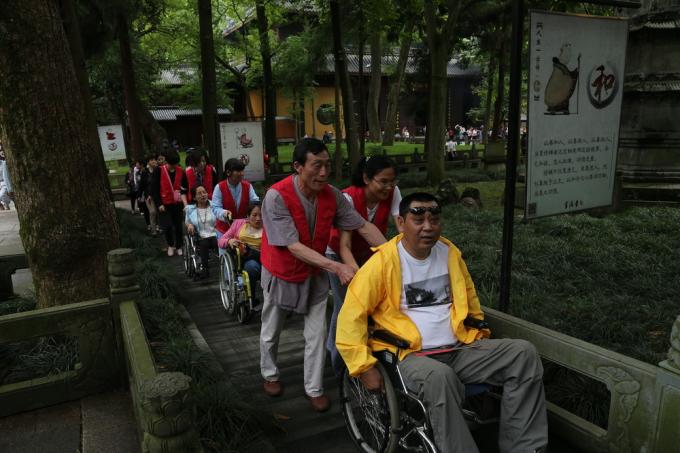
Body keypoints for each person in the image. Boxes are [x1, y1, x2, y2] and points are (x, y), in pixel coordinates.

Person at [336, 192, 548, 453]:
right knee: (440, 377)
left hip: (459, 349)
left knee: (523, 354)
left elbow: (469, 299)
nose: (428, 227)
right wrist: (363, 367)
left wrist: (477, 333)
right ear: (401, 223)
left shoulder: (449, 253)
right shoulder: (381, 263)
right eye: (418, 220)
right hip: (409, 355)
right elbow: (350, 318)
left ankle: (524, 448)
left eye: (434, 219)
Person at [258, 138, 387, 413]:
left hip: (314, 272)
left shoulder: (332, 195)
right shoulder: (276, 196)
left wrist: (394, 256)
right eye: (316, 166)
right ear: (298, 166)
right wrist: (337, 267)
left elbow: (362, 226)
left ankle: (314, 388)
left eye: (327, 165)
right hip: (282, 272)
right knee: (271, 331)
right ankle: (269, 373)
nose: (324, 172)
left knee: (316, 334)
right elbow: (292, 246)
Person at [325, 155, 401, 374]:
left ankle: (349, 350)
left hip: (368, 252)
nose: (389, 187)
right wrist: (357, 276)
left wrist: (403, 258)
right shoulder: (348, 198)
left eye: (392, 181)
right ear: (367, 178)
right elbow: (344, 246)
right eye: (383, 181)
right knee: (346, 305)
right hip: (338, 254)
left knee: (371, 304)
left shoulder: (393, 193)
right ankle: (338, 361)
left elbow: (402, 226)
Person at [218, 202, 263, 302]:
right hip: (247, 257)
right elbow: (221, 241)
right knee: (252, 267)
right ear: (248, 216)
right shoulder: (239, 223)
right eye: (254, 215)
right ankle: (251, 299)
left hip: (266, 257)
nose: (258, 218)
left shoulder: (269, 225)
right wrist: (229, 241)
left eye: (261, 215)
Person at [151, 149, 187, 256]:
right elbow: (154, 189)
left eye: (175, 164)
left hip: (177, 203)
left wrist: (183, 197)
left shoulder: (181, 170)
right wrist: (159, 204)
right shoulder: (159, 170)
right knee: (167, 227)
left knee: (178, 226)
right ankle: (171, 245)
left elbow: (185, 187)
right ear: (166, 161)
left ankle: (179, 246)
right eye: (171, 164)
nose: (173, 166)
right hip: (164, 204)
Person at [212, 158, 259, 236]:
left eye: (242, 171)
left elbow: (255, 202)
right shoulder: (219, 187)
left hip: (244, 229)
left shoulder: (248, 186)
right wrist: (224, 213)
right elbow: (215, 208)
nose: (242, 174)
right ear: (228, 172)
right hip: (224, 230)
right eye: (238, 171)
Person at [185, 185, 218, 277]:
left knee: (218, 242)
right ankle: (205, 268)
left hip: (215, 234)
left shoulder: (214, 206)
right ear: (194, 197)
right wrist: (190, 225)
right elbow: (187, 222)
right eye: (199, 193)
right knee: (204, 243)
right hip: (201, 236)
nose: (203, 195)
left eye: (204, 192)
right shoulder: (190, 209)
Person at [140, 154, 160, 236]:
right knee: (152, 212)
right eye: (151, 160)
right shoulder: (145, 172)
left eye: (154, 159)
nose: (153, 161)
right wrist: (140, 195)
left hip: (158, 195)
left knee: (159, 212)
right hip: (148, 195)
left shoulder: (159, 170)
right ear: (148, 162)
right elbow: (142, 185)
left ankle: (159, 227)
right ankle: (153, 230)